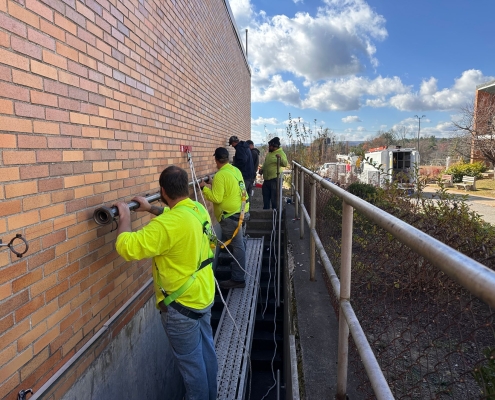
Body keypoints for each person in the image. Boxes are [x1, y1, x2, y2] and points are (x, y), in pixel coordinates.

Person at [114, 166, 217, 400]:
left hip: (181, 307)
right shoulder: (197, 208)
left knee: (192, 370)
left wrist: (125, 216)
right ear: (185, 187)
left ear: (162, 190)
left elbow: (126, 247)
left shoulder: (167, 225)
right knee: (206, 355)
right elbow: (178, 222)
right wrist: (150, 208)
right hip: (203, 295)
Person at [200, 147, 249, 289]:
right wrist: (213, 183)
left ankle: (238, 279)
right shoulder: (234, 170)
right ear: (228, 158)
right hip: (242, 212)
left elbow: (216, 197)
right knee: (240, 244)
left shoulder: (221, 175)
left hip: (231, 217)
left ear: (216, 159)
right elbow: (229, 188)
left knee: (236, 247)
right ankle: (239, 270)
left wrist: (204, 188)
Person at [260, 137, 288, 210]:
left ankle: (274, 213)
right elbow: (266, 163)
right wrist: (262, 169)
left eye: (270, 146)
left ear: (274, 146)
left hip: (275, 179)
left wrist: (280, 158)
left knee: (274, 197)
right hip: (267, 179)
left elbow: (285, 163)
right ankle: (266, 211)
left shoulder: (281, 153)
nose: (269, 147)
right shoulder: (269, 153)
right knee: (265, 195)